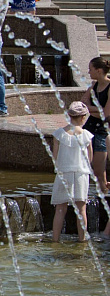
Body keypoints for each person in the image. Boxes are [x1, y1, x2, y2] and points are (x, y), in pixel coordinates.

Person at [50, 102, 93, 243]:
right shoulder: (87, 135)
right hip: (81, 174)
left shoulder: (58, 134)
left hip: (64, 173)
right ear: (83, 118)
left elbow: (55, 156)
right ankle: (82, 240)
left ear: (69, 116)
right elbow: (90, 158)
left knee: (60, 209)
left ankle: (55, 240)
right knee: (81, 210)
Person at [81, 57, 110, 195]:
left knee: (99, 172)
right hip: (88, 129)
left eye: (90, 69)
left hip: (102, 131)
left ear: (98, 71)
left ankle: (104, 196)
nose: (88, 72)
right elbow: (82, 103)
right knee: (84, 168)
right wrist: (96, 109)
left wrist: (90, 109)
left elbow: (105, 114)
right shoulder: (94, 85)